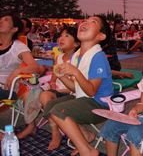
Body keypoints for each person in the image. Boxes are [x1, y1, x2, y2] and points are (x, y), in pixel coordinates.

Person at [42, 16, 114, 156]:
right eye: (85, 21)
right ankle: (85, 135)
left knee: (59, 110)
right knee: (51, 106)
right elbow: (76, 88)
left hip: (100, 104)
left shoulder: (98, 57)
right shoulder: (77, 56)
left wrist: (75, 72)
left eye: (93, 22)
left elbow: (92, 91)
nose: (85, 22)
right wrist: (62, 76)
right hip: (84, 98)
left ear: (100, 35)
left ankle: (87, 150)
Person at [16, 27, 80, 148]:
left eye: (67, 36)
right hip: (54, 90)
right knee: (28, 94)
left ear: (77, 43)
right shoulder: (59, 57)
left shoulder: (78, 59)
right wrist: (52, 84)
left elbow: (76, 85)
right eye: (61, 35)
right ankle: (31, 126)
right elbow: (54, 76)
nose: (61, 38)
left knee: (45, 96)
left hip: (69, 92)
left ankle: (55, 133)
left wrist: (55, 90)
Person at [0, 12, 39, 137]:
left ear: (14, 29)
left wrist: (17, 71)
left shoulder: (18, 47)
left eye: (6, 19)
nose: (1, 20)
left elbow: (35, 67)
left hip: (6, 88)